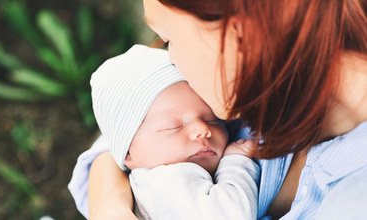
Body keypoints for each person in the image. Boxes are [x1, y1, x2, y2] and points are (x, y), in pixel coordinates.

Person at [69, 0, 367, 219]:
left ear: (235, 34)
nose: (170, 60)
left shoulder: (351, 201)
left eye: (168, 39)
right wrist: (108, 205)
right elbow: (126, 134)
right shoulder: (252, 89)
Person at [73, 44, 260, 219]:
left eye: (213, 119)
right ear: (128, 153)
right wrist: (236, 163)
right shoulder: (167, 181)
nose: (203, 130)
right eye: (173, 127)